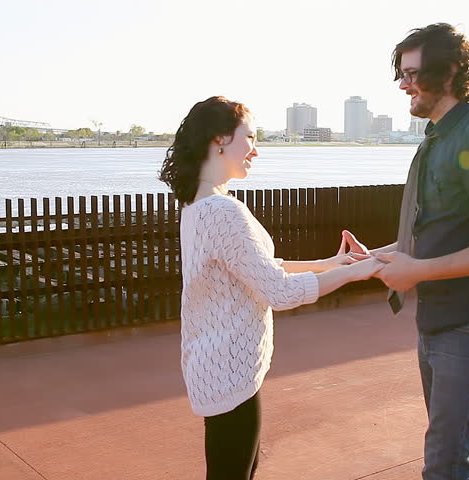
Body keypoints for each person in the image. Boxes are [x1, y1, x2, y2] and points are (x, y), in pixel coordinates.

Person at [158, 96, 384, 480]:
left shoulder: (200, 205)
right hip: (229, 373)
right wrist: (356, 273)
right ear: (220, 141)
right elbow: (278, 292)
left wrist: (330, 264)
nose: (256, 150)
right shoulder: (222, 211)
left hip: (216, 367)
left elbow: (258, 270)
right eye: (251, 136)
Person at [345, 24, 469, 479]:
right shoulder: (438, 139)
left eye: (412, 73)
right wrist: (377, 259)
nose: (402, 84)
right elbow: (432, 235)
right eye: (401, 74)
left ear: (449, 71)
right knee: (461, 454)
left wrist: (417, 271)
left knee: (446, 464)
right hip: (443, 324)